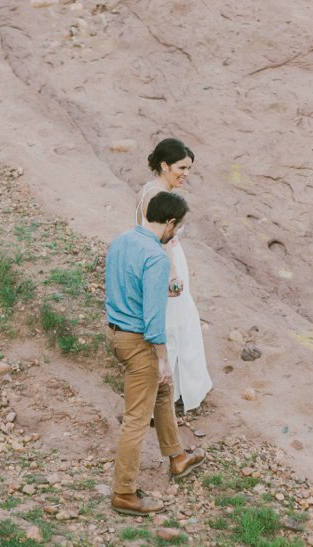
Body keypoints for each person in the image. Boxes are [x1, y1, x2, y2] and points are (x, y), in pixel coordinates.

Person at [106, 191, 206, 516]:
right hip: (140, 343)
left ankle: (177, 457)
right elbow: (153, 318)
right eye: (178, 227)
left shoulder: (121, 241)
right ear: (171, 222)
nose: (176, 233)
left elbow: (127, 286)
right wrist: (162, 359)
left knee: (164, 393)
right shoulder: (156, 257)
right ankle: (123, 493)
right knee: (136, 419)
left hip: (117, 333)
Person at [136, 138, 213, 413]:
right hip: (164, 265)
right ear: (164, 165)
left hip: (164, 260)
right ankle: (176, 392)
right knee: (176, 324)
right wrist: (171, 275)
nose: (186, 174)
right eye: (181, 167)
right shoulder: (158, 196)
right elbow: (162, 239)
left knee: (176, 322)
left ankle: (175, 389)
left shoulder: (150, 189)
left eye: (189, 168)